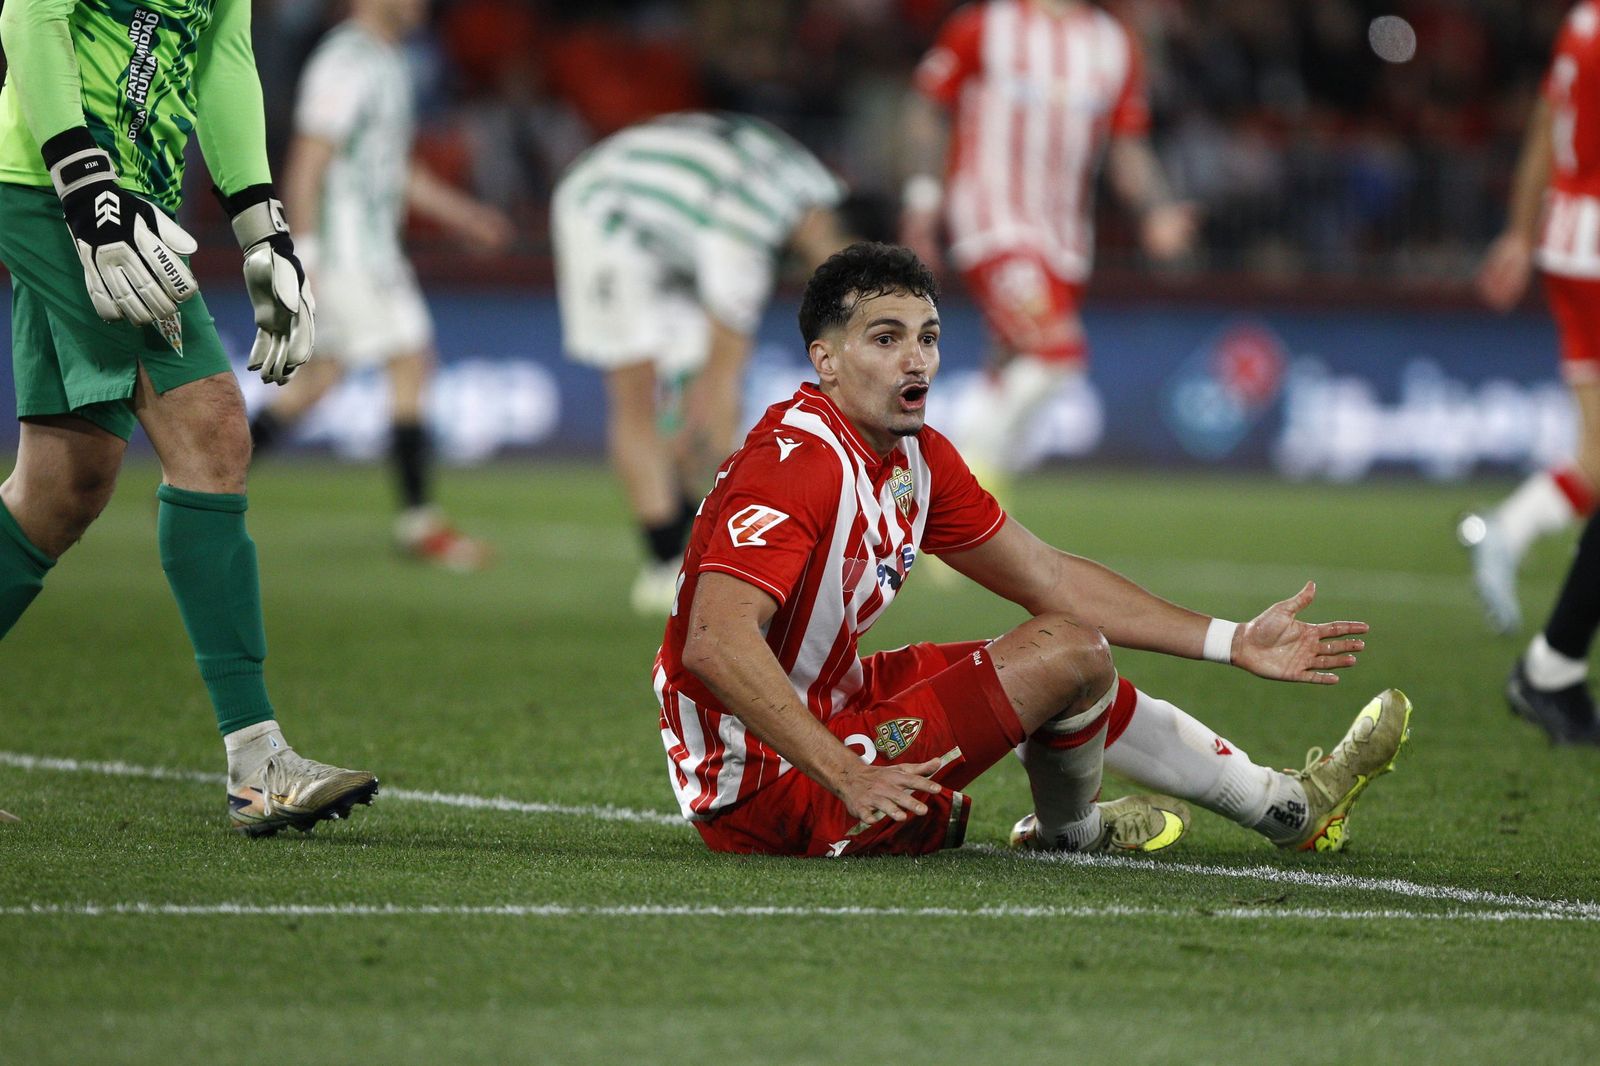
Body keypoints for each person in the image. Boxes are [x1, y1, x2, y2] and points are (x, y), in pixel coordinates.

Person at [654, 242, 1411, 858]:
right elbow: (714, 641)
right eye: (886, 339)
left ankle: (1287, 807)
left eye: (928, 338)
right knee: (1068, 654)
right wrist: (847, 773)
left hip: (833, 699)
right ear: (826, 360)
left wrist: (1232, 640)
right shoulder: (797, 465)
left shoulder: (915, 458)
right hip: (763, 780)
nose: (916, 360)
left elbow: (1050, 577)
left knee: (1064, 655)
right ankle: (1072, 834)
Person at [0, 0, 377, 834]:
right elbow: (29, 15)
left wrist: (263, 229)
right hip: (63, 186)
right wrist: (83, 182)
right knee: (211, 430)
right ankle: (258, 762)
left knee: (60, 488)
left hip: (123, 193)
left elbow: (223, 57)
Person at [247, 0, 512, 572]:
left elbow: (392, 169)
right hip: (346, 253)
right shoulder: (345, 61)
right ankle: (419, 524)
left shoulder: (389, 60)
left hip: (370, 252)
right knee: (409, 361)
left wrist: (463, 215)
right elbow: (307, 163)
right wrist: (304, 258)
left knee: (319, 380)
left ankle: (209, 482)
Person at [551, 111, 851, 614]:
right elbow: (723, 379)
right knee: (639, 391)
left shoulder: (819, 191)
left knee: (692, 395)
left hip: (678, 222)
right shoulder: (745, 229)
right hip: (606, 212)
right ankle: (664, 561)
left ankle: (700, 545)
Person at [899, 0, 1196, 493]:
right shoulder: (986, 25)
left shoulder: (1113, 43)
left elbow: (1127, 143)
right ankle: (962, 483)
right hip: (992, 219)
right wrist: (923, 198)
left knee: (1011, 367)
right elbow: (927, 107)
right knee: (1056, 353)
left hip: (1065, 239)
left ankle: (938, 507)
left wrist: (1156, 211)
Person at [1467, 1, 1600, 742]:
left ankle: (1511, 532)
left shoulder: (1584, 21)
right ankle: (1551, 665)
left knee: (1597, 456)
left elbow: (1549, 123)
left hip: (1571, 240)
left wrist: (1520, 232)